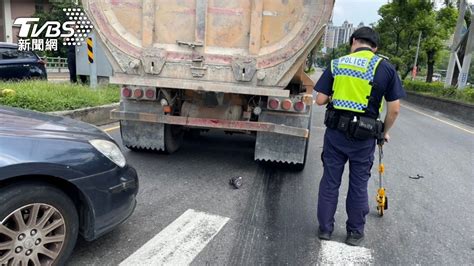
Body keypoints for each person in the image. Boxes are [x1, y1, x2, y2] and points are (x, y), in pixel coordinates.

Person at [314, 27, 405, 246]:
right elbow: (394, 110)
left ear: (354, 41)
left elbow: (319, 100)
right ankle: (354, 233)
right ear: (375, 47)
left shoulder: (337, 64)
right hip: (364, 137)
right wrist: (383, 133)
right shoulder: (386, 68)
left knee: (330, 181)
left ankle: (325, 229)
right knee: (358, 184)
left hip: (336, 134)